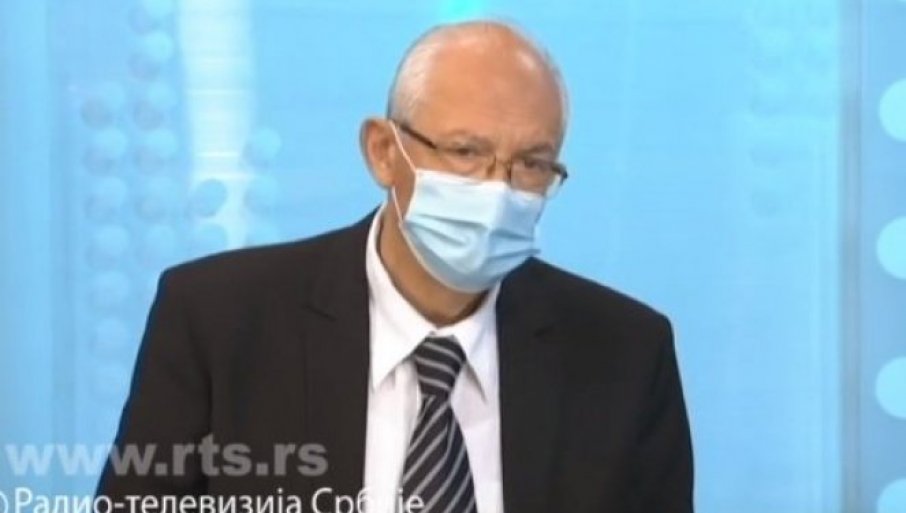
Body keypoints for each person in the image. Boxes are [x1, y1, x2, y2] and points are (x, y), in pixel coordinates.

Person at [98, 20, 693, 513]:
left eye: (532, 164)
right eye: (466, 152)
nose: (498, 190)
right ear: (384, 152)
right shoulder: (218, 321)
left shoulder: (626, 356)